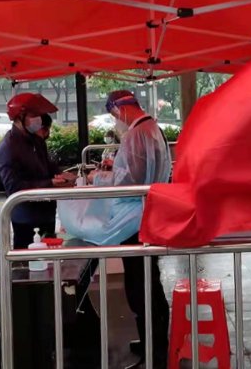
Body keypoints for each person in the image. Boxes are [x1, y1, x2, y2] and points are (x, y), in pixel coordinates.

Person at [92, 90, 172, 369]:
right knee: (150, 281)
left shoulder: (136, 134)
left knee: (140, 286)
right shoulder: (152, 128)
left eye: (113, 114)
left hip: (135, 217)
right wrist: (115, 167)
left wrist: (101, 177)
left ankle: (154, 353)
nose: (115, 120)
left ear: (119, 109)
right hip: (148, 213)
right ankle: (155, 343)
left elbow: (130, 181)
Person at [0, 93, 74, 249]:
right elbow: (13, 187)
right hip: (26, 217)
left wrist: (63, 176)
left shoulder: (36, 140)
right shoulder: (8, 147)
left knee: (49, 255)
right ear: (19, 117)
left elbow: (49, 165)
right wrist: (50, 183)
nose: (38, 119)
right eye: (33, 115)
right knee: (26, 257)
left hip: (46, 211)